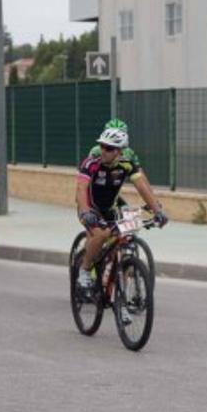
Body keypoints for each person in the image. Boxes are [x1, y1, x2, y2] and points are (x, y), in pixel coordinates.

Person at [75, 126, 167, 305]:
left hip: (110, 208)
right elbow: (80, 189)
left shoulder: (127, 164)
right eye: (102, 146)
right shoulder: (91, 163)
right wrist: (85, 211)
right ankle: (85, 270)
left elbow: (142, 186)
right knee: (101, 234)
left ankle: (119, 293)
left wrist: (157, 211)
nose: (103, 151)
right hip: (89, 207)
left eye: (109, 148)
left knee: (126, 235)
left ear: (120, 151)